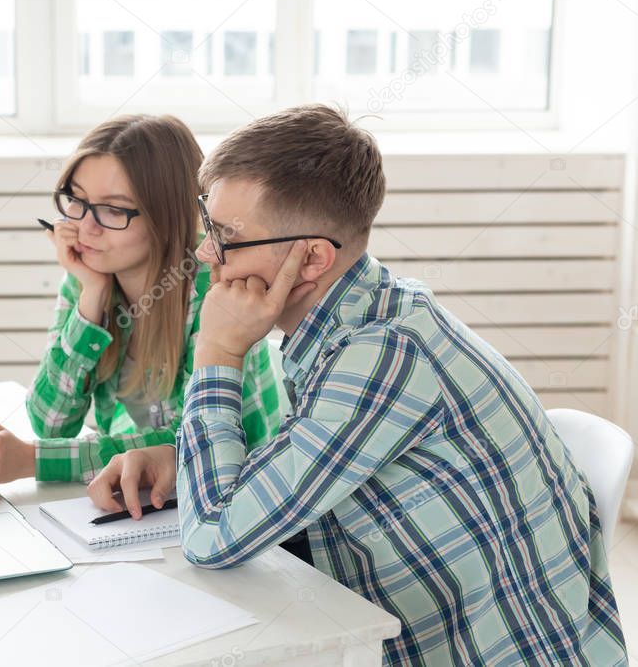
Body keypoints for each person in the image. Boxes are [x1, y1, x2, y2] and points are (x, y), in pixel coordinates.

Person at [87, 105, 627, 665]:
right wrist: (184, 464)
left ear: (313, 257)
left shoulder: (383, 354)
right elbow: (287, 474)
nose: (204, 254)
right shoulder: (367, 314)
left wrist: (218, 354)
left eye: (225, 236)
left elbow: (213, 538)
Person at [0, 114, 281, 505]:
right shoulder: (90, 275)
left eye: (113, 210)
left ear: (165, 215)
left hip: (240, 503)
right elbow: (52, 423)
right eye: (76, 201)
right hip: (147, 501)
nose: (86, 228)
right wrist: (91, 296)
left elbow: (193, 442)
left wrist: (35, 460)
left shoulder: (215, 285)